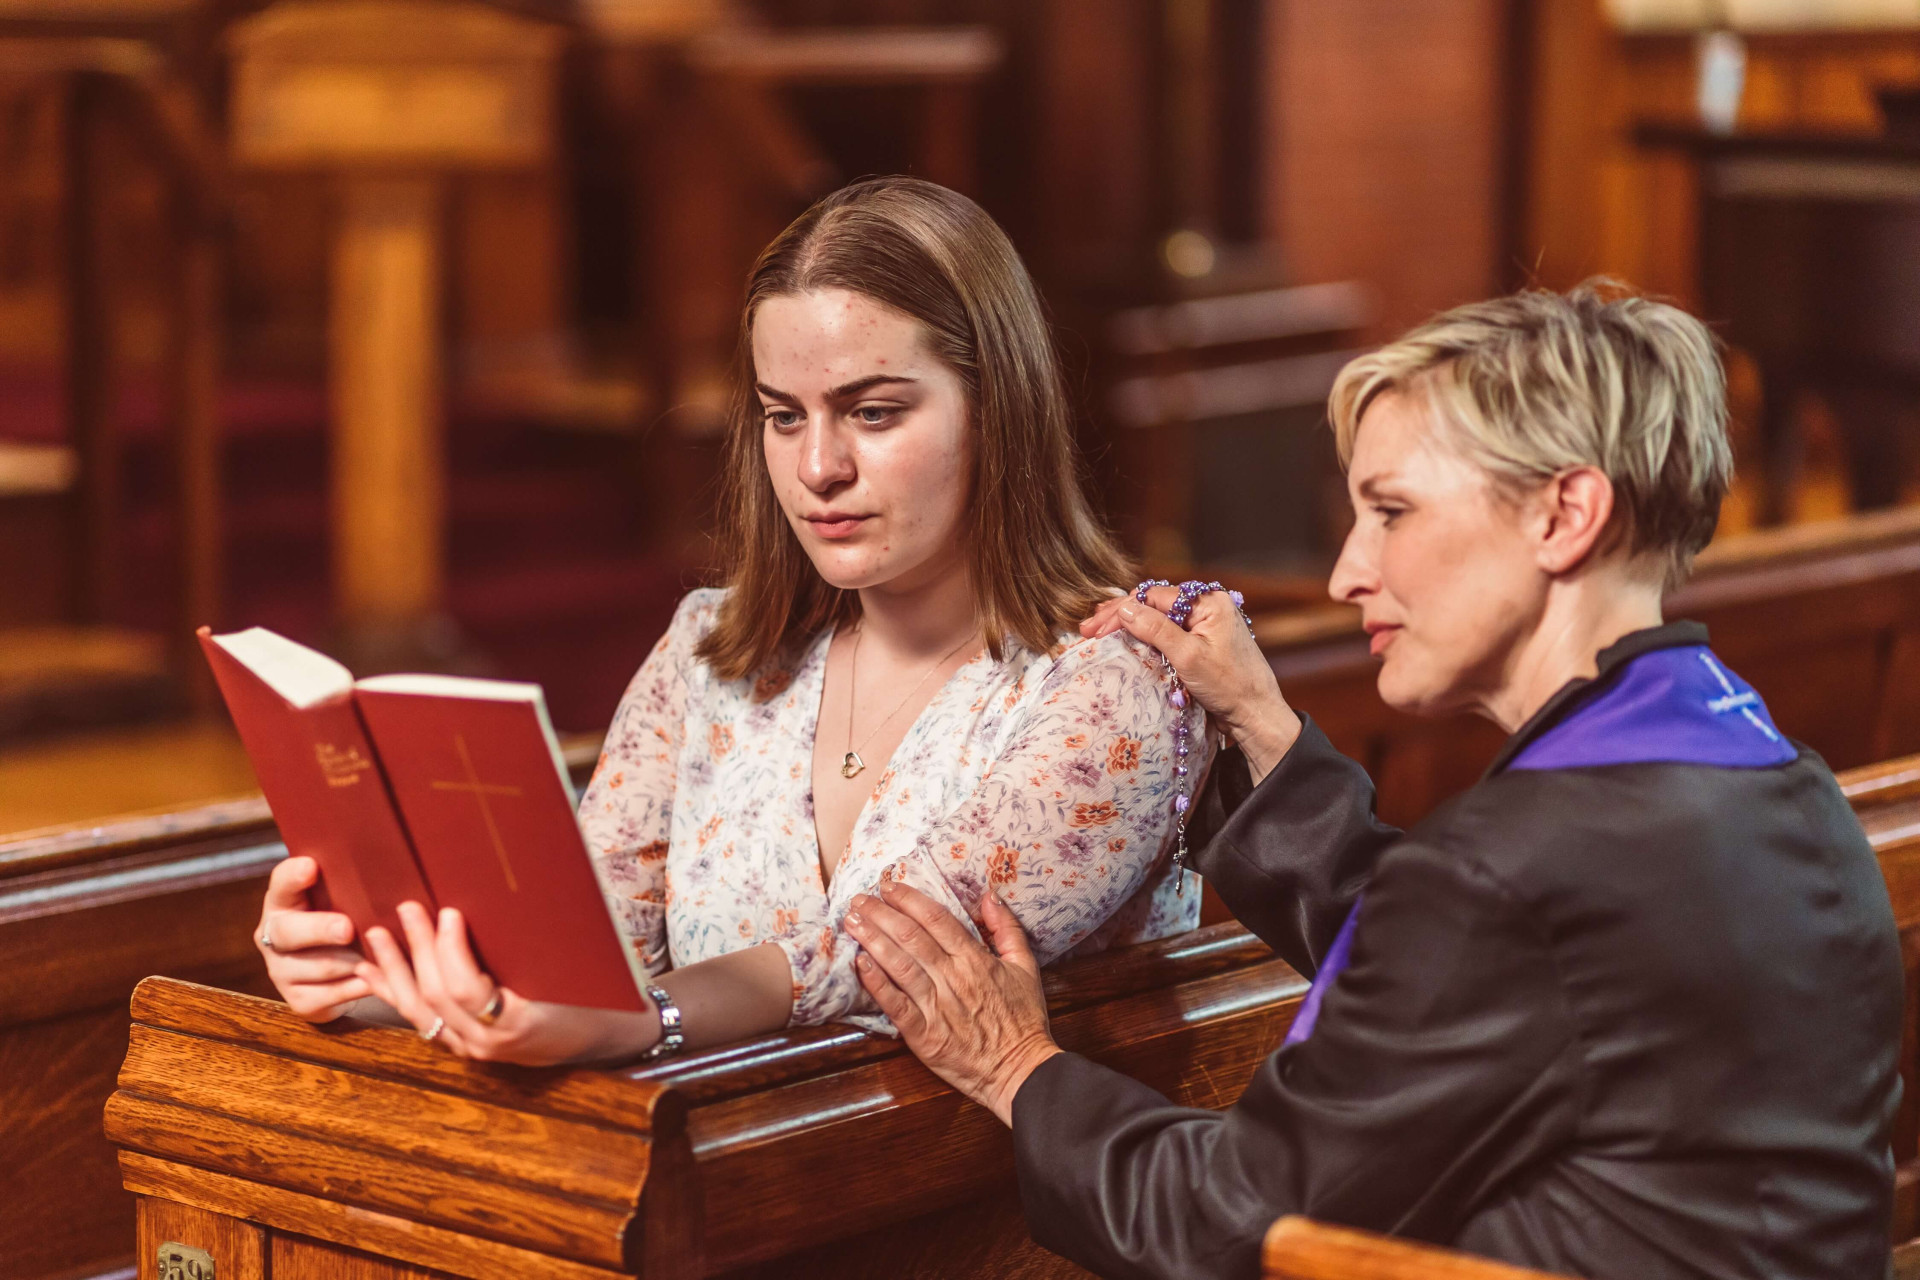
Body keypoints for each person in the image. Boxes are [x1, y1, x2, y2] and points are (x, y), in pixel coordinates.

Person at [847, 284, 1905, 1279]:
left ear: (1564, 514)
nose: (1350, 569)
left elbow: (1236, 1221)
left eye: (1392, 511)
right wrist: (1261, 725)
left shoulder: (1515, 873)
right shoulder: (1766, 772)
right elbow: (1474, 978)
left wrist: (1015, 1066)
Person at [249, 176, 1210, 1066]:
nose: (818, 467)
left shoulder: (1113, 683)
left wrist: (649, 1017)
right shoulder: (709, 653)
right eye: (783, 415)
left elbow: (888, 954)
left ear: (999, 409)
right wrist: (372, 976)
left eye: (872, 413)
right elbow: (575, 963)